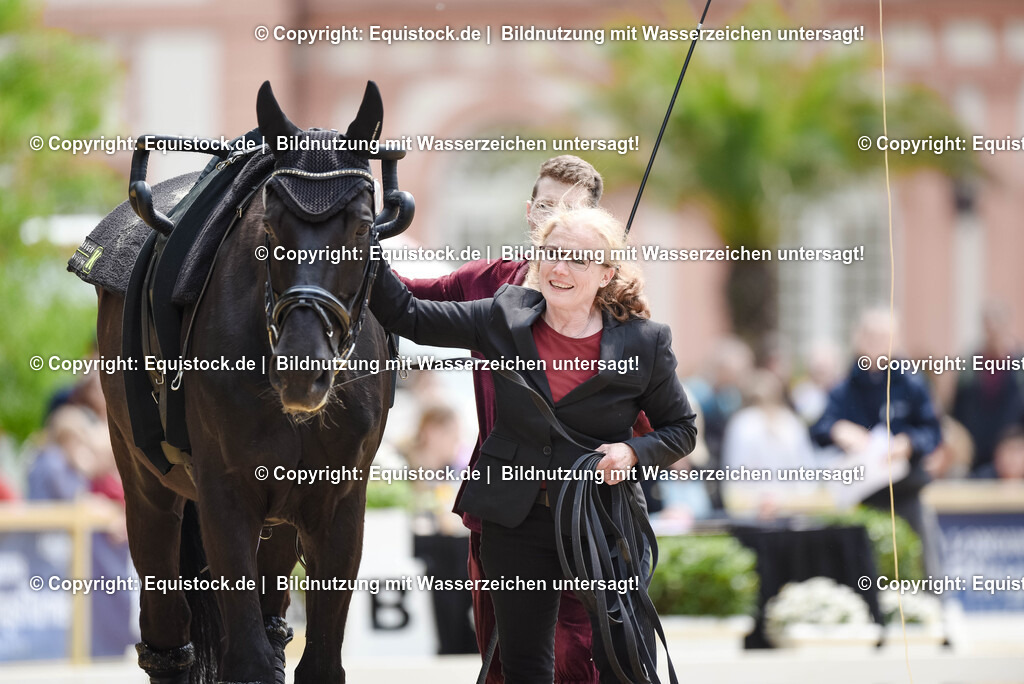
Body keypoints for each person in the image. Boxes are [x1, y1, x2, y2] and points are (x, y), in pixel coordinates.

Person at [372, 206, 697, 683]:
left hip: (600, 520)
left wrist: (632, 452)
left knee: (621, 655)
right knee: (525, 665)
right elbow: (408, 315)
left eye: (577, 260)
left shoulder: (644, 342)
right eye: (551, 255)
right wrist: (358, 236)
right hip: (514, 519)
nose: (559, 269)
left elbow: (681, 428)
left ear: (607, 273)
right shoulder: (503, 315)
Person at [810, 309, 944, 576]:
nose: (876, 342)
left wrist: (908, 443)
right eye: (870, 335)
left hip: (905, 489)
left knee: (923, 562)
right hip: (861, 494)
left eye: (884, 336)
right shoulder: (845, 388)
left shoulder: (912, 384)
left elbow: (933, 431)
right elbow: (818, 429)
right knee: (863, 566)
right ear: (857, 338)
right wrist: (839, 429)